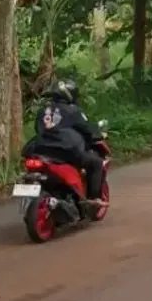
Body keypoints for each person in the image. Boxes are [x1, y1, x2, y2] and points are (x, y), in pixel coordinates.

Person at [24, 78, 106, 206]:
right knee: (96, 163)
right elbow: (87, 131)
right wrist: (97, 135)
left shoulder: (42, 112)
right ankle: (94, 199)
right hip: (66, 153)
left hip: (41, 152)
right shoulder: (73, 111)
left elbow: (38, 129)